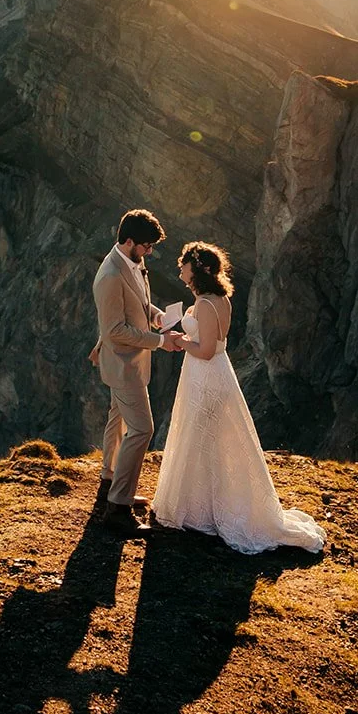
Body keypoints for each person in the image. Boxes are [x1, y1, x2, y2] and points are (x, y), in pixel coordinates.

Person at [152, 241, 325, 555]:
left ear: (197, 268)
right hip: (218, 373)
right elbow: (215, 345)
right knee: (211, 440)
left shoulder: (204, 304)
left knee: (198, 437)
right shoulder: (221, 300)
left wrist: (178, 340)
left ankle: (199, 509)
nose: (179, 268)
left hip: (204, 375)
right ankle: (208, 505)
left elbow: (204, 350)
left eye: (183, 263)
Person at [89, 209, 182, 536]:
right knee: (142, 429)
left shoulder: (132, 262)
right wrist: (160, 341)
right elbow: (115, 330)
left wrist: (157, 317)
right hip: (123, 364)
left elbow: (140, 305)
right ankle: (118, 508)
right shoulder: (111, 275)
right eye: (146, 246)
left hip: (130, 361)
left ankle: (109, 482)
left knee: (118, 421)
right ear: (128, 241)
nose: (149, 253)